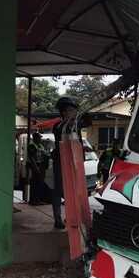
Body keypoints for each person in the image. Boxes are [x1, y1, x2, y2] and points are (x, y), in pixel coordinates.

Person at [51, 96, 87, 229]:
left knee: (74, 191)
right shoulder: (59, 126)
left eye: (74, 110)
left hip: (74, 162)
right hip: (61, 162)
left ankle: (72, 217)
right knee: (59, 190)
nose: (74, 112)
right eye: (71, 110)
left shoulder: (75, 124)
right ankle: (58, 218)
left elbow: (88, 121)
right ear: (64, 112)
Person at [27, 132, 48, 205]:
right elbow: (32, 158)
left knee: (40, 184)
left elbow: (45, 154)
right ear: (35, 138)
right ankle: (33, 200)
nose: (40, 139)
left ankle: (38, 200)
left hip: (41, 165)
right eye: (39, 137)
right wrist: (36, 168)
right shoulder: (32, 146)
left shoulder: (40, 145)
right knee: (35, 184)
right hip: (35, 166)